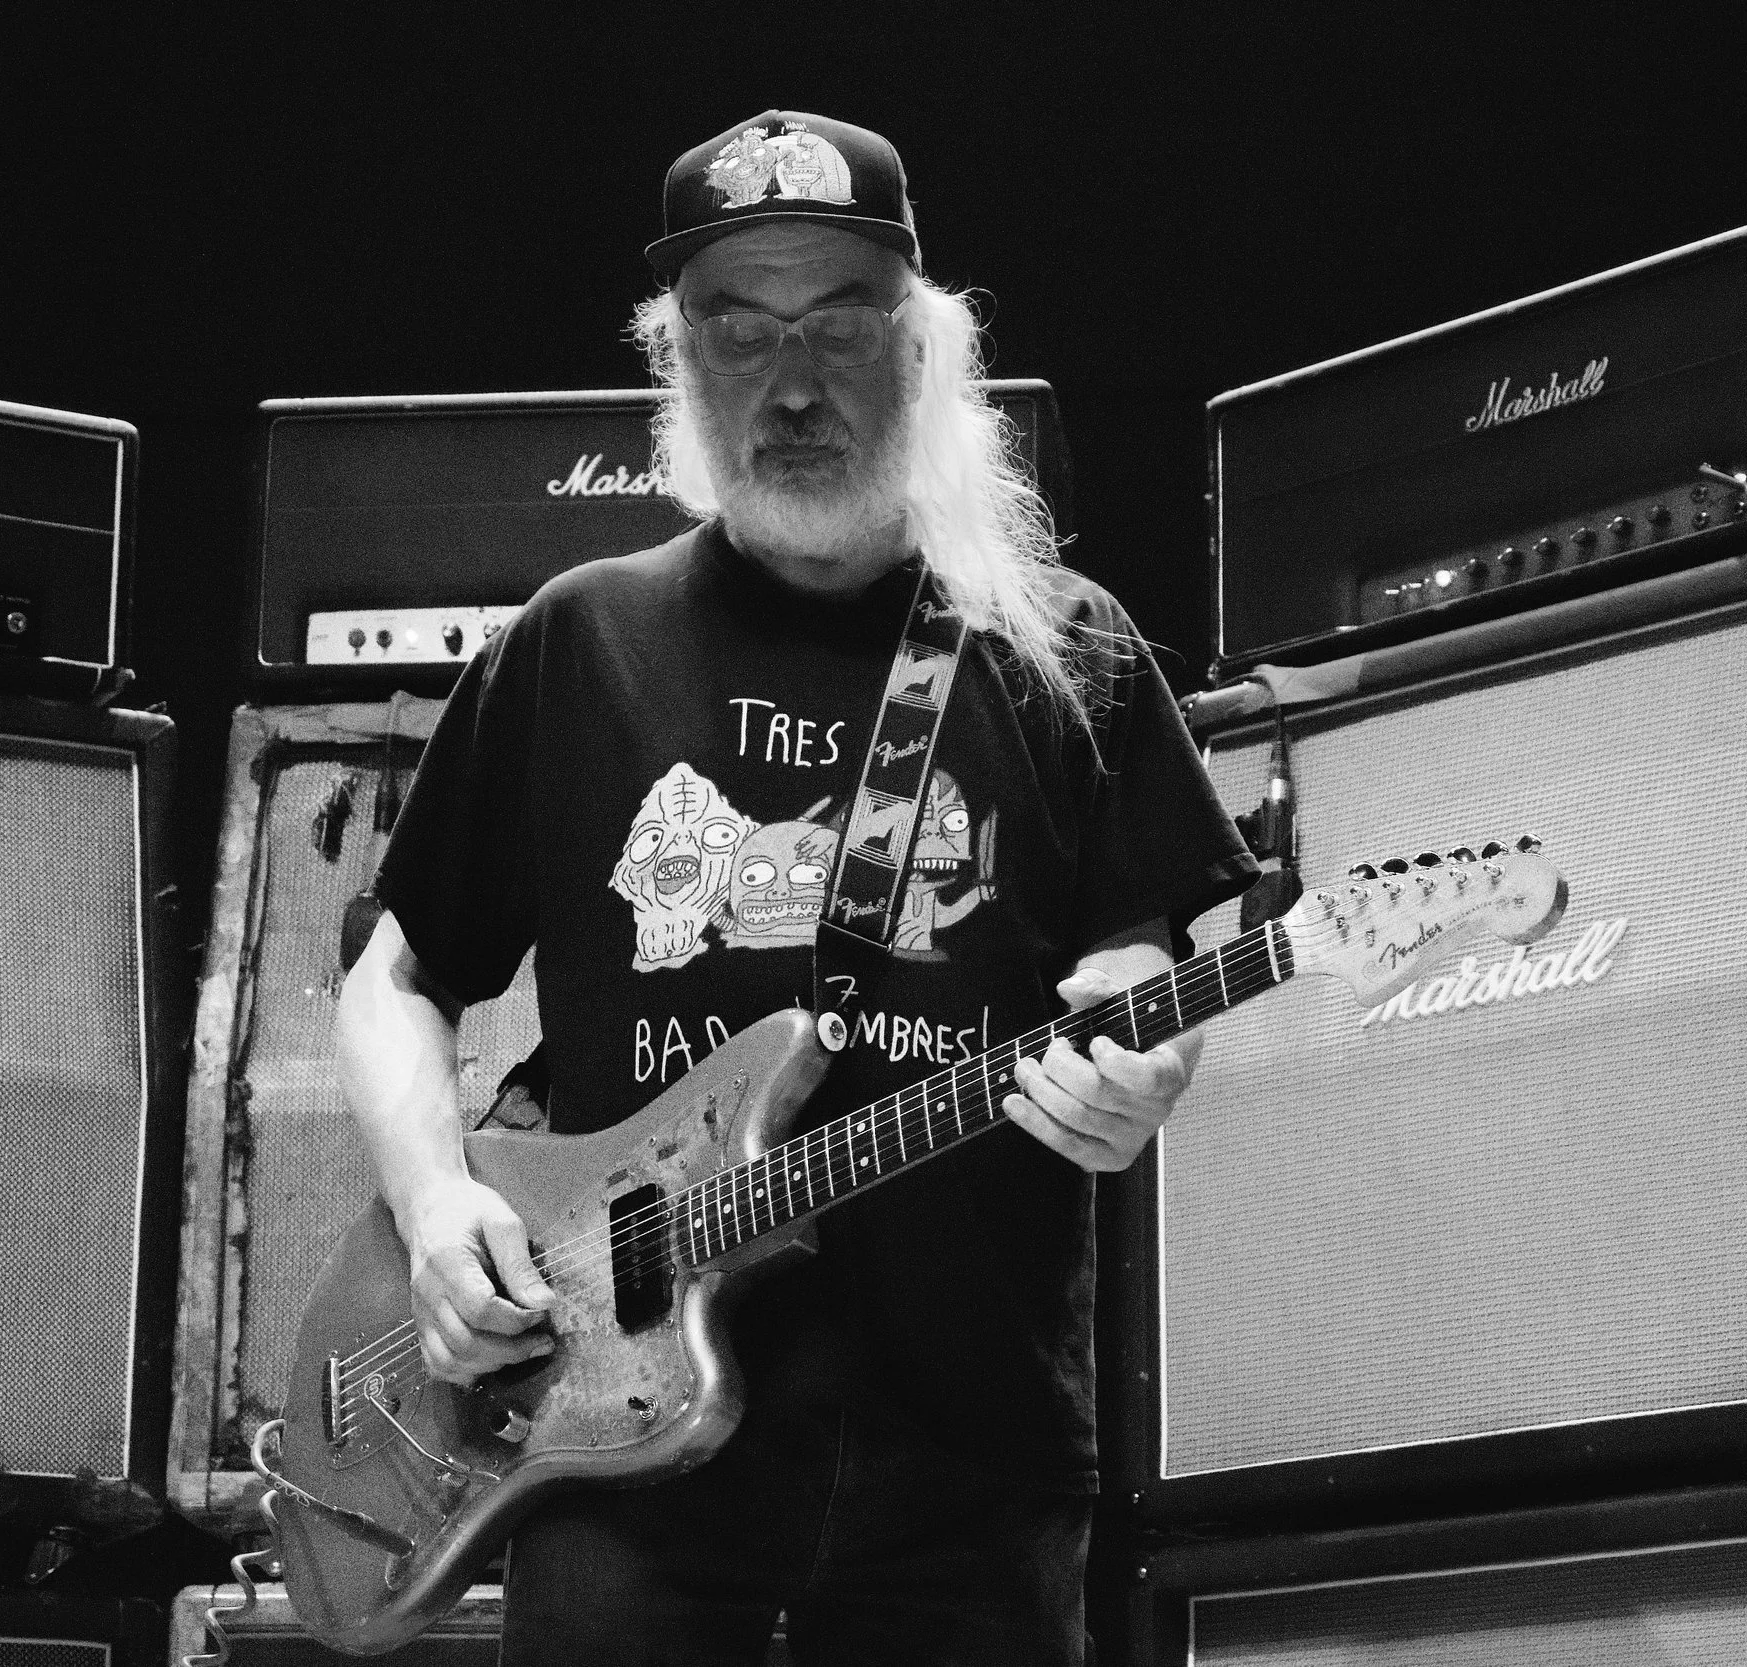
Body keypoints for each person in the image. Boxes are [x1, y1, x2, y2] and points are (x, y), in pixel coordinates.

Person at [337, 109, 1254, 1667]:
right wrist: (433, 1205)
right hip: (615, 1452)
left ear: (921, 353)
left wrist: (1143, 1047)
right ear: (678, 362)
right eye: (737, 331)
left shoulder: (1058, 644)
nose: (794, 381)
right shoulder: (578, 640)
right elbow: (395, 976)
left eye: (838, 322)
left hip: (970, 1454)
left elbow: (1132, 954)